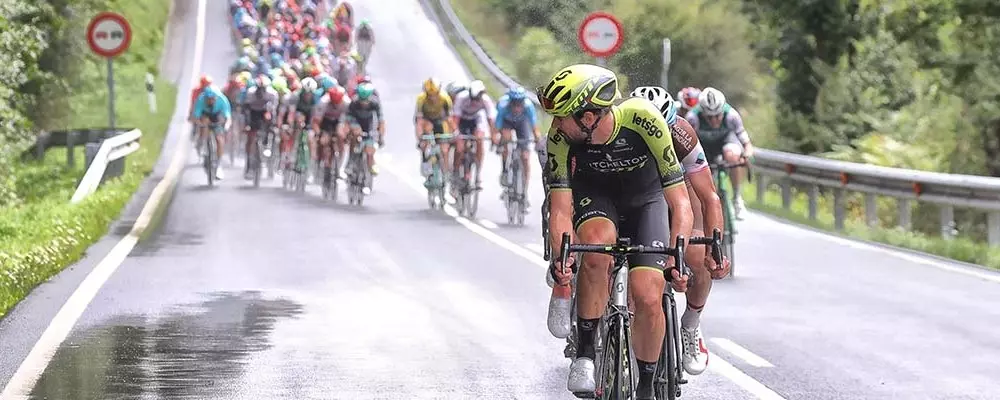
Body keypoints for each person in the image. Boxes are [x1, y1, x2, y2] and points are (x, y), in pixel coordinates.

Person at [539, 64, 693, 399]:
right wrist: (563, 258)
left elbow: (680, 201)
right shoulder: (560, 138)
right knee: (596, 249)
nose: (556, 125)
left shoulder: (644, 119)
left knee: (648, 295)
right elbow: (561, 209)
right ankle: (584, 354)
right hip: (596, 197)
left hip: (647, 200)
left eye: (562, 117)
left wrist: (678, 256)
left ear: (588, 116)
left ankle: (647, 387)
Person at [630, 86, 729, 376]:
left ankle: (691, 324)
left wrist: (714, 250)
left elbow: (709, 198)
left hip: (680, 187)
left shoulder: (683, 134)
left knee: (697, 252)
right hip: (636, 190)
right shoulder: (620, 130)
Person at [685, 87, 754, 219]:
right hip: (703, 146)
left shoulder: (732, 115)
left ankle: (737, 198)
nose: (714, 120)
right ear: (702, 112)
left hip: (725, 141)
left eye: (718, 115)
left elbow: (746, 142)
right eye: (710, 117)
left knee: (733, 156)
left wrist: (746, 155)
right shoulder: (692, 118)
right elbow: (686, 146)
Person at [494, 86, 540, 208]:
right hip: (507, 122)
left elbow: (534, 127)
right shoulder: (503, 105)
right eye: (514, 103)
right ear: (510, 102)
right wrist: (497, 140)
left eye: (519, 103)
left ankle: (524, 190)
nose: (517, 107)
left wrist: (537, 142)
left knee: (525, 157)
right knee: (505, 139)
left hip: (522, 124)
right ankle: (505, 170)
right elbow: (497, 127)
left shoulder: (528, 106)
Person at [450, 80, 496, 190]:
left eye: (477, 99)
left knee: (479, 140)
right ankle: (455, 171)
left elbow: (490, 120)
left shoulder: (486, 100)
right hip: (462, 120)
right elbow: (455, 119)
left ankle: (478, 174)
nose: (474, 101)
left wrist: (493, 135)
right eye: (473, 98)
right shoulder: (461, 97)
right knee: (459, 148)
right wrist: (456, 135)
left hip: (476, 119)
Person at [345, 82, 385, 195]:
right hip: (356, 121)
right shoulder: (354, 102)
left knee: (369, 149)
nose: (363, 103)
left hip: (369, 124)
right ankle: (351, 162)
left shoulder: (375, 103)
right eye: (362, 100)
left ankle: (370, 167)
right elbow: (348, 118)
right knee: (354, 138)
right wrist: (351, 131)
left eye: (366, 100)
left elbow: (381, 120)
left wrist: (380, 136)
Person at [415, 77, 454, 178]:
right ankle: (425, 159)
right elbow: (419, 120)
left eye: (435, 95)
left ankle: (446, 172)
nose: (432, 98)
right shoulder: (421, 99)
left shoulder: (445, 98)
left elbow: (450, 118)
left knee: (444, 149)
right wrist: (420, 138)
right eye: (429, 95)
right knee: (424, 140)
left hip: (440, 121)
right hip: (426, 120)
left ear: (438, 91)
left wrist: (453, 133)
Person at [192, 84, 233, 180]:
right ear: (205, 97)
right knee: (205, 124)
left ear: (216, 97)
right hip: (205, 115)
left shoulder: (222, 100)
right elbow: (195, 117)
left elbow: (228, 117)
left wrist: (226, 126)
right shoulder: (201, 100)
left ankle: (218, 164)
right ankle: (204, 146)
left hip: (217, 115)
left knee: (219, 139)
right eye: (209, 99)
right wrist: (200, 124)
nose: (211, 101)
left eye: (213, 99)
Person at [312, 85, 351, 184]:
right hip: (325, 121)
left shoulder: (347, 102)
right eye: (333, 102)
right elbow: (316, 121)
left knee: (341, 137)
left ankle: (340, 167)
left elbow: (348, 121)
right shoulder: (323, 102)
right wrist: (319, 133)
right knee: (323, 141)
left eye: (337, 102)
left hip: (339, 121)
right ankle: (319, 162)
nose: (335, 105)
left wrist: (346, 134)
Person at [243, 75, 279, 179]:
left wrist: (273, 124)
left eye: (263, 89)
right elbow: (247, 110)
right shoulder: (250, 93)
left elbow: (273, 111)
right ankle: (249, 164)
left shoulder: (272, 94)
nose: (261, 91)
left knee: (270, 124)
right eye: (259, 89)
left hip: (265, 113)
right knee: (251, 138)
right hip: (253, 113)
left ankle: (267, 144)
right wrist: (247, 124)